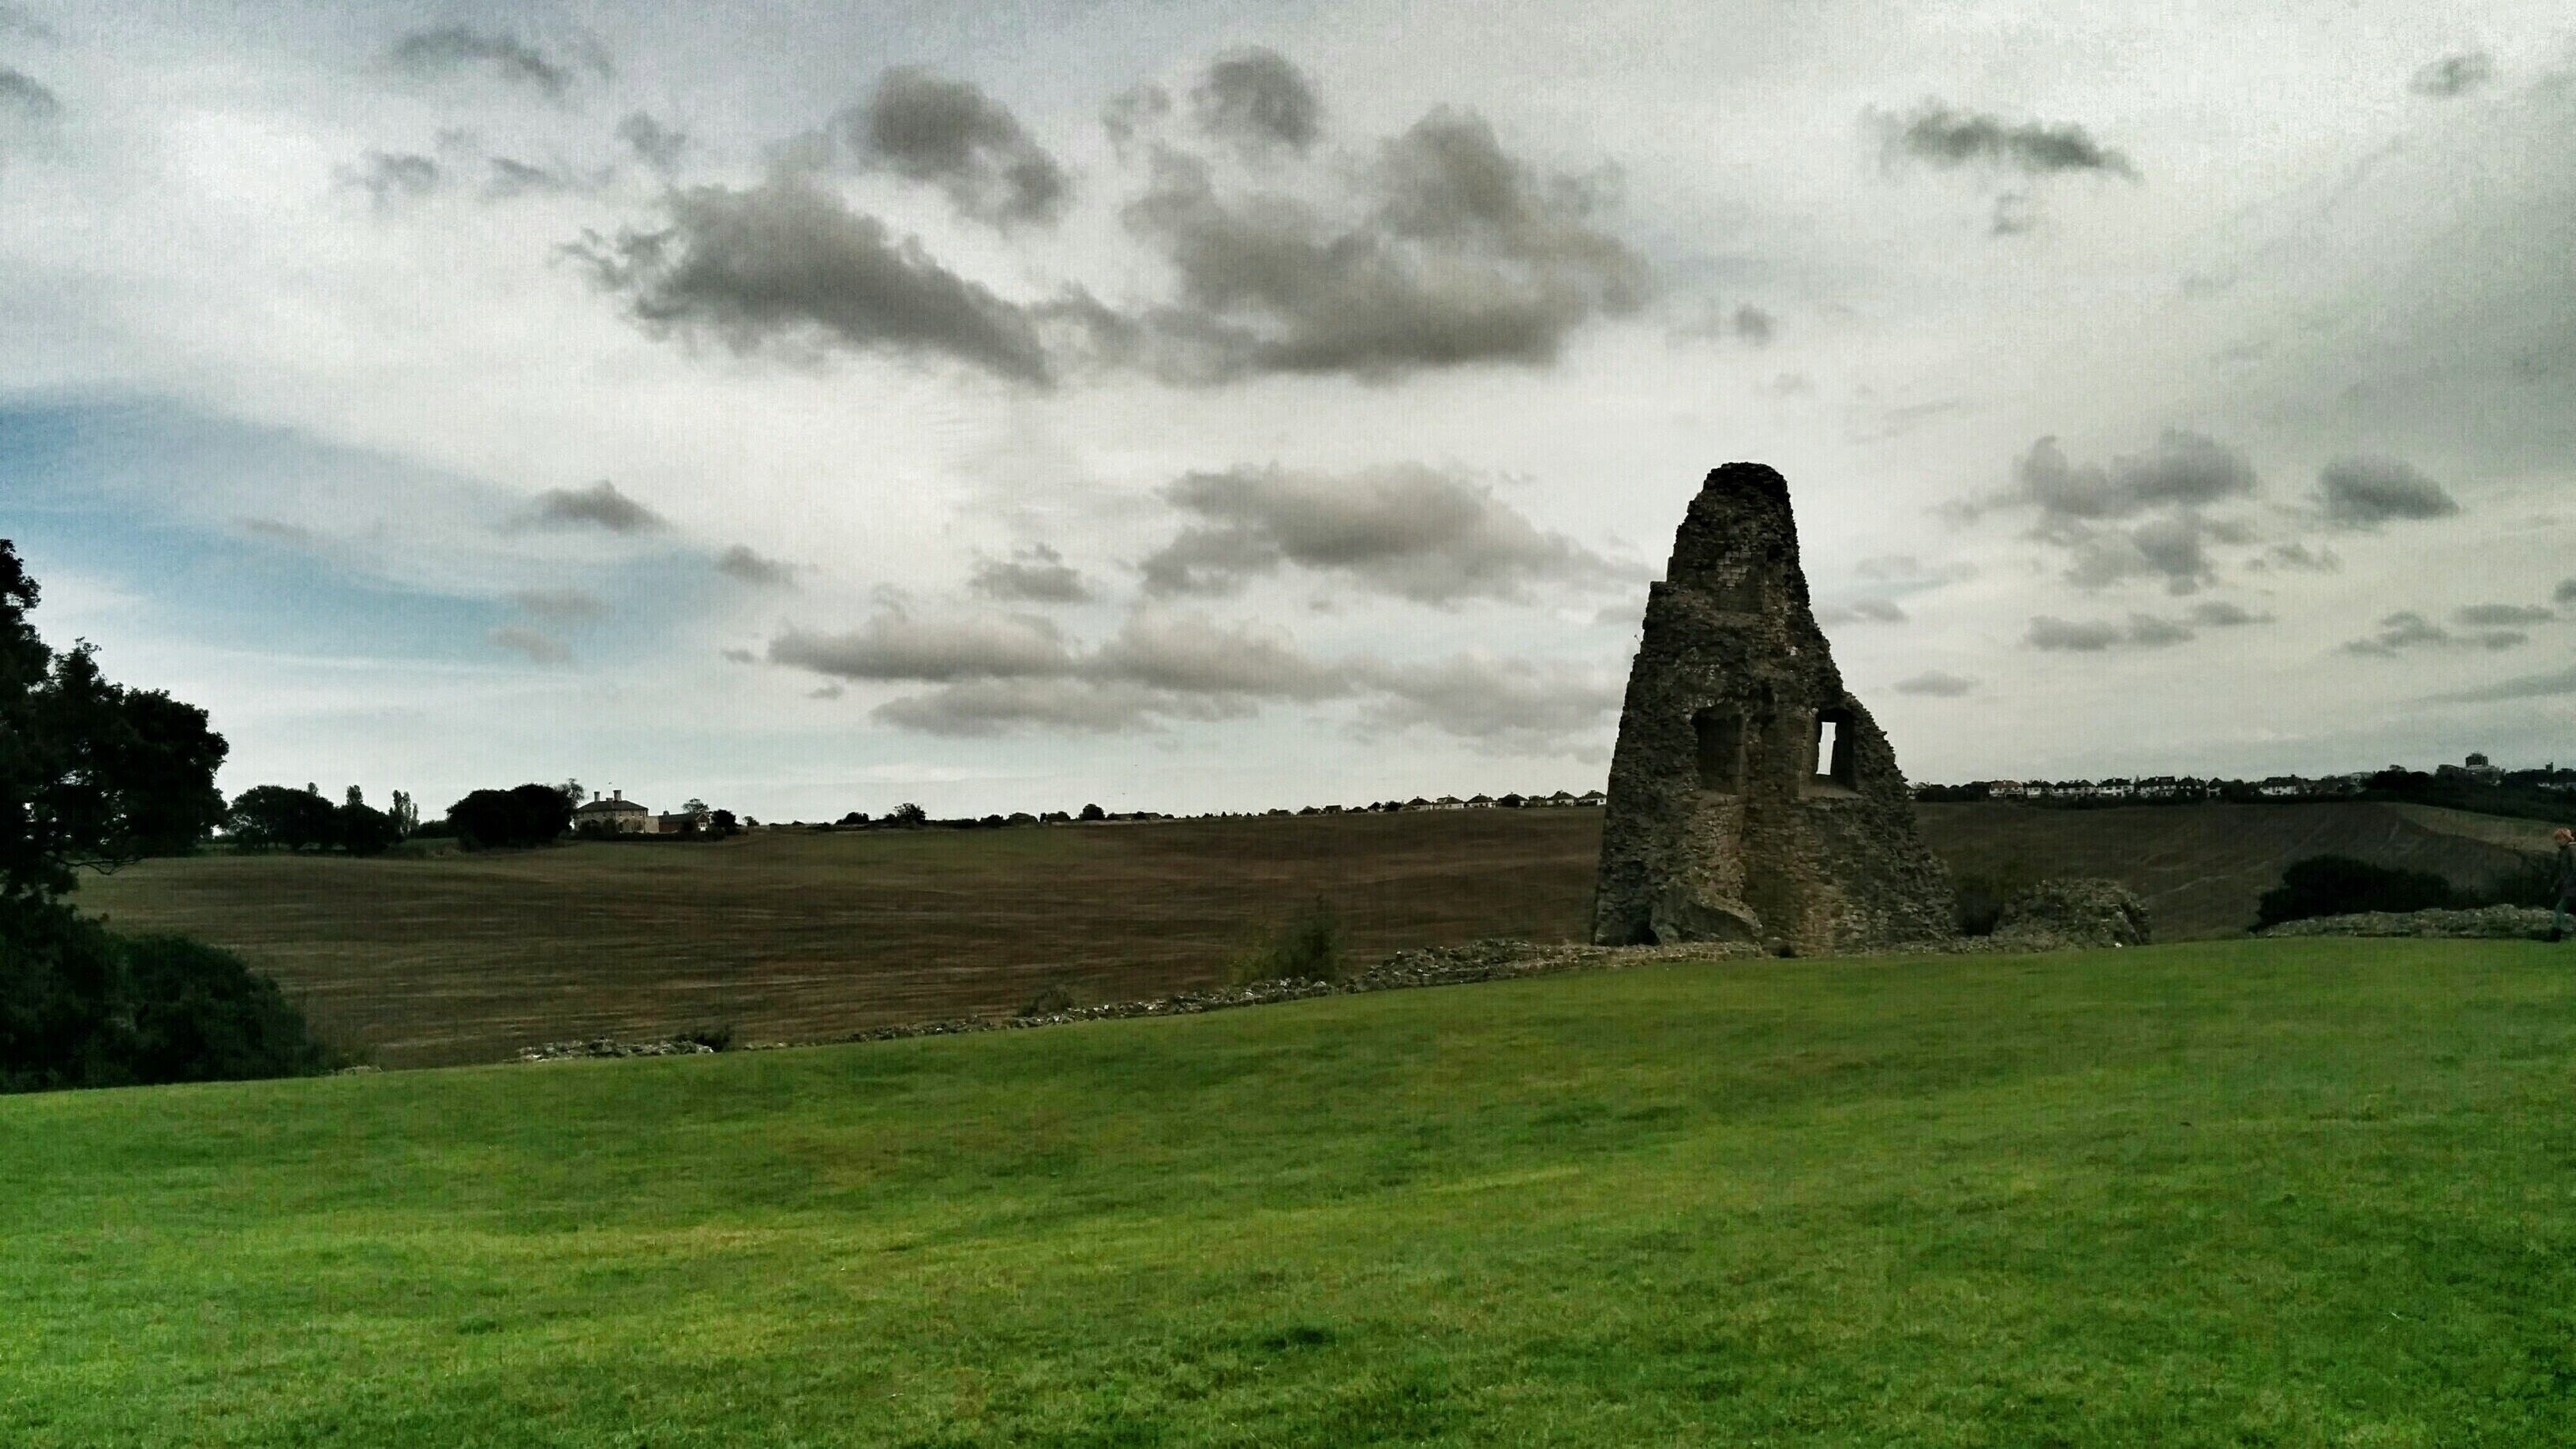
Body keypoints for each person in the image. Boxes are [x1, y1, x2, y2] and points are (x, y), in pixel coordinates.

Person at [2555, 828, 2576, 942]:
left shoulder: (2572, 849)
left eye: (2560, 838)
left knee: (2560, 908)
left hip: (2572, 886)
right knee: (2560, 908)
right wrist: (2556, 885)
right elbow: (2562, 872)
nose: (2558, 841)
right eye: (2557, 839)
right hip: (2568, 886)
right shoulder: (2563, 852)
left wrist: (2568, 882)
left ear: (2566, 838)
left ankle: (2558, 934)